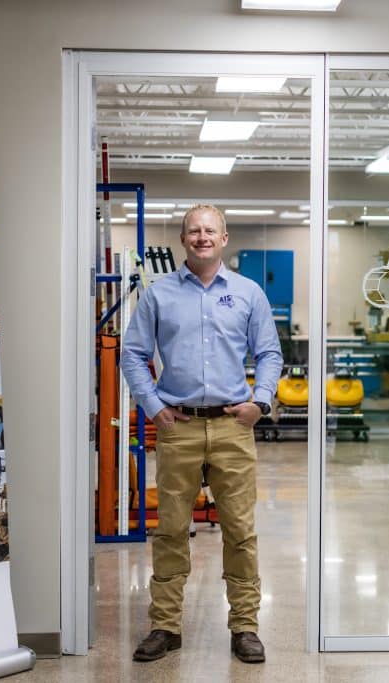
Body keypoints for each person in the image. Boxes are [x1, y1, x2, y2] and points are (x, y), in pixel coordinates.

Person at [121, 204, 283, 664]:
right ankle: (165, 625)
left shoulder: (249, 293)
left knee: (240, 530)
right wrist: (153, 407)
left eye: (210, 230)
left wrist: (261, 401)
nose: (202, 236)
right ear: (183, 238)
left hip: (234, 426)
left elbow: (270, 353)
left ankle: (246, 626)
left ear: (225, 237)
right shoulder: (159, 295)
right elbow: (133, 354)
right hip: (180, 426)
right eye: (194, 230)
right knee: (171, 529)